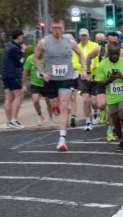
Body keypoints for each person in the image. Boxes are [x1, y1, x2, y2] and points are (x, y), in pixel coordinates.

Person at [33, 19, 88, 151]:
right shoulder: (44, 42)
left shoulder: (70, 42)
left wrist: (84, 69)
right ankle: (56, 109)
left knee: (64, 105)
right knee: (55, 107)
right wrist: (41, 72)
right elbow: (35, 57)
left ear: (63, 28)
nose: (57, 30)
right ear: (50, 28)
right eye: (54, 28)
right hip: (50, 79)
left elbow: (80, 54)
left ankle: (62, 139)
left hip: (66, 78)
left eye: (59, 27)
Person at [95, 42, 123, 152]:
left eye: (117, 54)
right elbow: (99, 83)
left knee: (121, 114)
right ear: (108, 53)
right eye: (112, 54)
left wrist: (122, 77)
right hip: (111, 96)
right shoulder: (103, 65)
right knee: (115, 120)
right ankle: (122, 142)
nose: (115, 56)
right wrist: (110, 79)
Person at [75, 29, 100, 131]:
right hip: (83, 76)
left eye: (85, 35)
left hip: (94, 76)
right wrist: (84, 69)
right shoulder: (76, 47)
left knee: (94, 101)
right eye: (82, 36)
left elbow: (99, 59)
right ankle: (88, 122)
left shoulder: (94, 46)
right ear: (79, 37)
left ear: (89, 36)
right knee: (86, 100)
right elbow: (74, 63)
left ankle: (95, 111)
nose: (84, 37)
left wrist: (95, 67)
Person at [1, 29, 26, 129]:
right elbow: (19, 62)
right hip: (13, 75)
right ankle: (13, 120)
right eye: (22, 37)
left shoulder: (8, 46)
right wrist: (23, 51)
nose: (23, 40)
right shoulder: (14, 48)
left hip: (5, 75)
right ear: (19, 36)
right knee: (19, 96)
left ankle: (9, 120)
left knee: (8, 98)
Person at [23, 51, 52, 126]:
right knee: (35, 100)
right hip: (35, 83)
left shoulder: (48, 57)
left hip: (46, 83)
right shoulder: (30, 58)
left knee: (48, 102)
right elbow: (25, 71)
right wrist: (24, 84)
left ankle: (51, 119)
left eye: (41, 52)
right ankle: (40, 116)